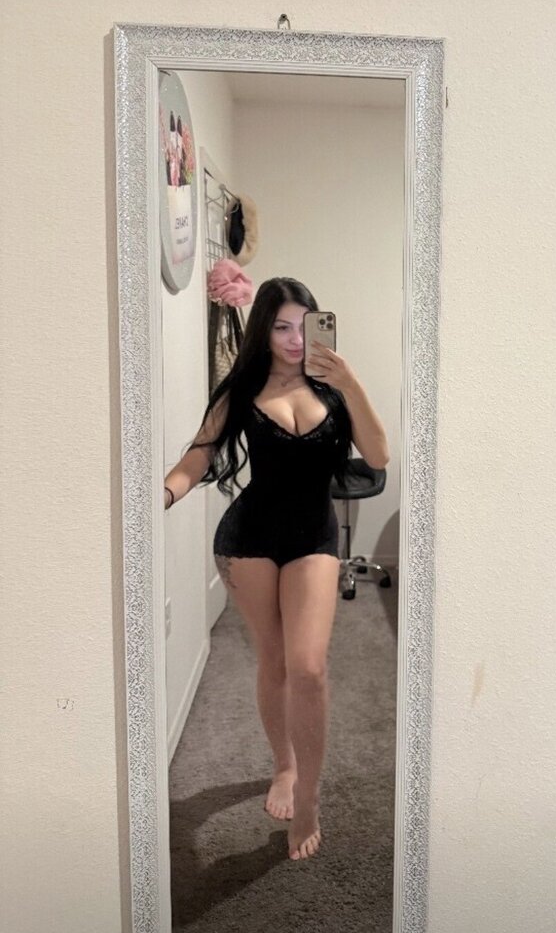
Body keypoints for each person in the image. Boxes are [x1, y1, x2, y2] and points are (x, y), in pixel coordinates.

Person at [162, 277, 390, 861]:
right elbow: (200, 453)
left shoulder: (335, 389)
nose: (294, 339)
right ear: (264, 330)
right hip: (250, 539)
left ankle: (308, 795)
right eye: (281, 327)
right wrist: (163, 492)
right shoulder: (241, 389)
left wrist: (352, 382)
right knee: (275, 660)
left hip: (313, 538)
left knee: (308, 667)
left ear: (319, 326)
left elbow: (379, 454)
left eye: (303, 326)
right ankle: (283, 766)